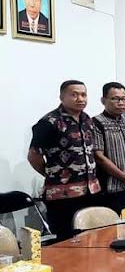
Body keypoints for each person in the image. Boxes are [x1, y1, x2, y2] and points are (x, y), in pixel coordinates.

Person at [27, 80, 101, 240]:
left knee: (93, 239)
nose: (80, 99)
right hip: (62, 196)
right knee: (68, 243)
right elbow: (33, 156)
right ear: (62, 97)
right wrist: (52, 174)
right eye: (74, 95)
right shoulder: (49, 122)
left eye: (83, 94)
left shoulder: (87, 119)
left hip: (90, 190)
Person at [92, 82, 125, 212]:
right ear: (103, 100)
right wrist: (123, 176)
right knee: (117, 228)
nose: (121, 102)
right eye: (115, 98)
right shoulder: (96, 123)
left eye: (123, 98)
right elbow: (99, 157)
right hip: (112, 188)